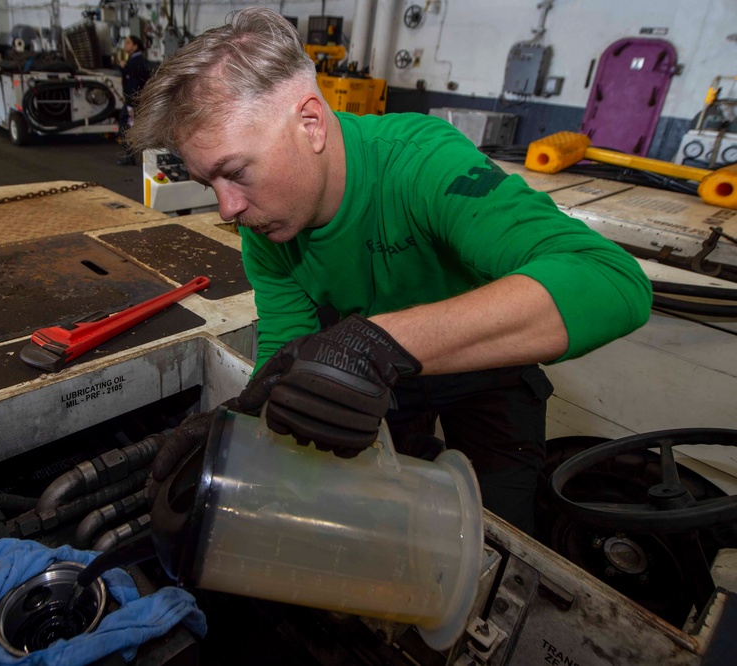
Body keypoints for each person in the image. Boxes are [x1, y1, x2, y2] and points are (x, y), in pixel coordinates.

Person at [129, 7, 652, 534]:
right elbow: (287, 339)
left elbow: (611, 281)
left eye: (236, 172)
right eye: (208, 184)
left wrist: (376, 341)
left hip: (485, 367)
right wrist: (241, 426)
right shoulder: (270, 223)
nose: (227, 209)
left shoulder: (423, 164)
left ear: (310, 123)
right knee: (384, 528)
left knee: (496, 538)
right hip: (382, 376)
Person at [116, 35, 150, 166]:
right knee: (130, 127)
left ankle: (132, 158)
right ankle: (134, 157)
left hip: (133, 101)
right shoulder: (134, 60)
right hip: (133, 100)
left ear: (135, 46)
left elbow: (136, 83)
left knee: (126, 127)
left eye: (128, 42)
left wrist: (131, 102)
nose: (125, 44)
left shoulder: (137, 61)